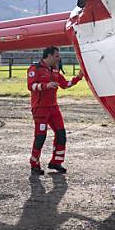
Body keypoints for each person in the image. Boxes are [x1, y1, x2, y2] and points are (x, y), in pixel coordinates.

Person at [27, 46, 83, 175]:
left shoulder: (56, 70)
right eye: (57, 56)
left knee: (61, 134)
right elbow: (31, 86)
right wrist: (46, 85)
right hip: (40, 109)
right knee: (40, 137)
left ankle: (56, 162)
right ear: (49, 56)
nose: (59, 58)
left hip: (53, 108)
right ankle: (34, 163)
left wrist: (78, 77)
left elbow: (65, 84)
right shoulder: (35, 68)